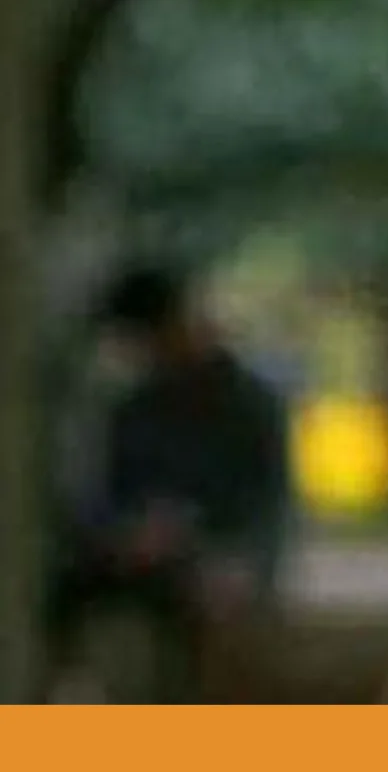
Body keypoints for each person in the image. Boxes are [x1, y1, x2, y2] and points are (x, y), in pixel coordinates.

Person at [51, 262, 292, 702]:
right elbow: (103, 501)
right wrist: (130, 534)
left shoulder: (249, 405)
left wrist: (241, 561)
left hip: (222, 559)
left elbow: (268, 507)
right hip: (147, 564)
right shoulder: (134, 410)